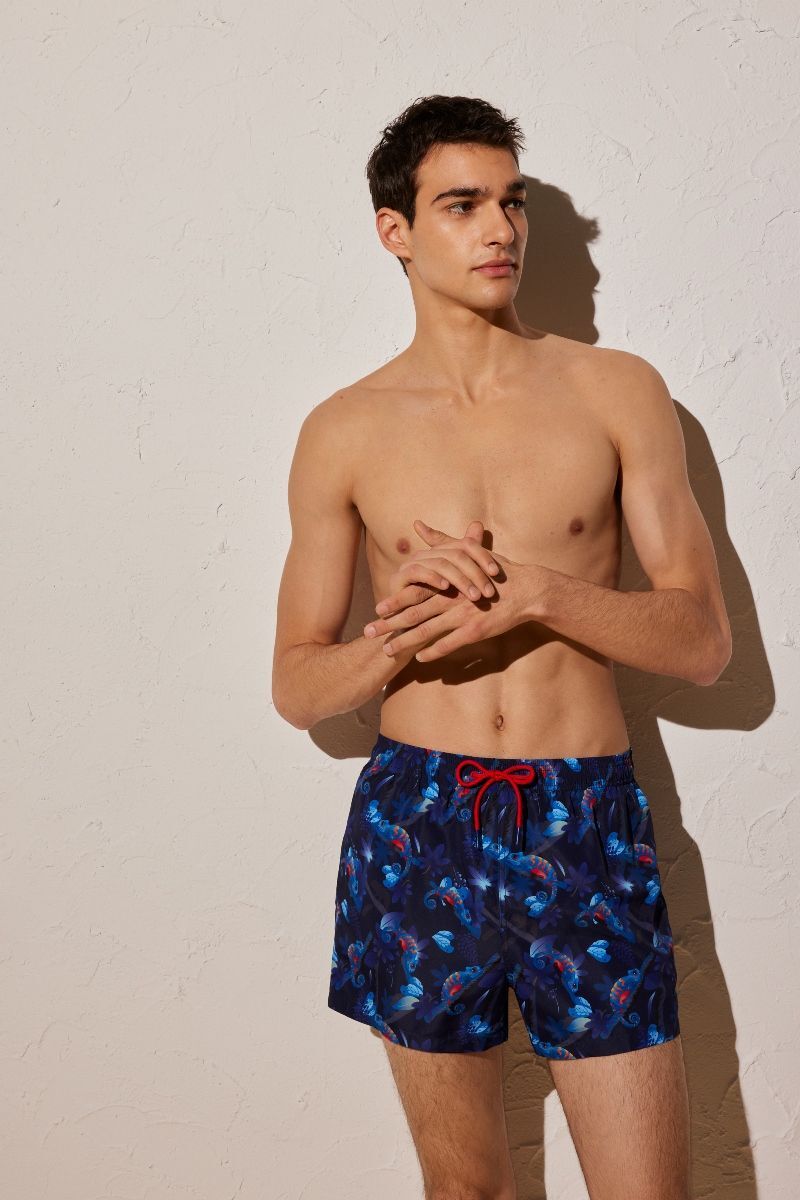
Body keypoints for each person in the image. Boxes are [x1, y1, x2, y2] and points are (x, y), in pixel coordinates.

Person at [272, 94, 731, 1200]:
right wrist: (398, 632)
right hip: (417, 821)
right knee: (466, 1190)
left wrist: (538, 594)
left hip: (584, 816)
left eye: (511, 203)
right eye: (462, 204)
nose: (500, 230)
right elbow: (296, 683)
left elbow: (702, 642)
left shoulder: (616, 390)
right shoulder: (344, 428)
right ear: (395, 231)